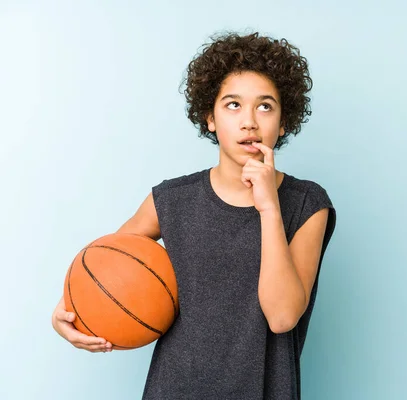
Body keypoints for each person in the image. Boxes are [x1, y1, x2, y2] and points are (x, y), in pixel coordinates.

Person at [51, 31, 337, 399]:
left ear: (283, 123)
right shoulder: (172, 200)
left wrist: (268, 206)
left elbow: (282, 317)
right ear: (210, 118)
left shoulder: (306, 203)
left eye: (265, 106)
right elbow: (103, 271)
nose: (249, 121)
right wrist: (65, 315)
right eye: (233, 105)